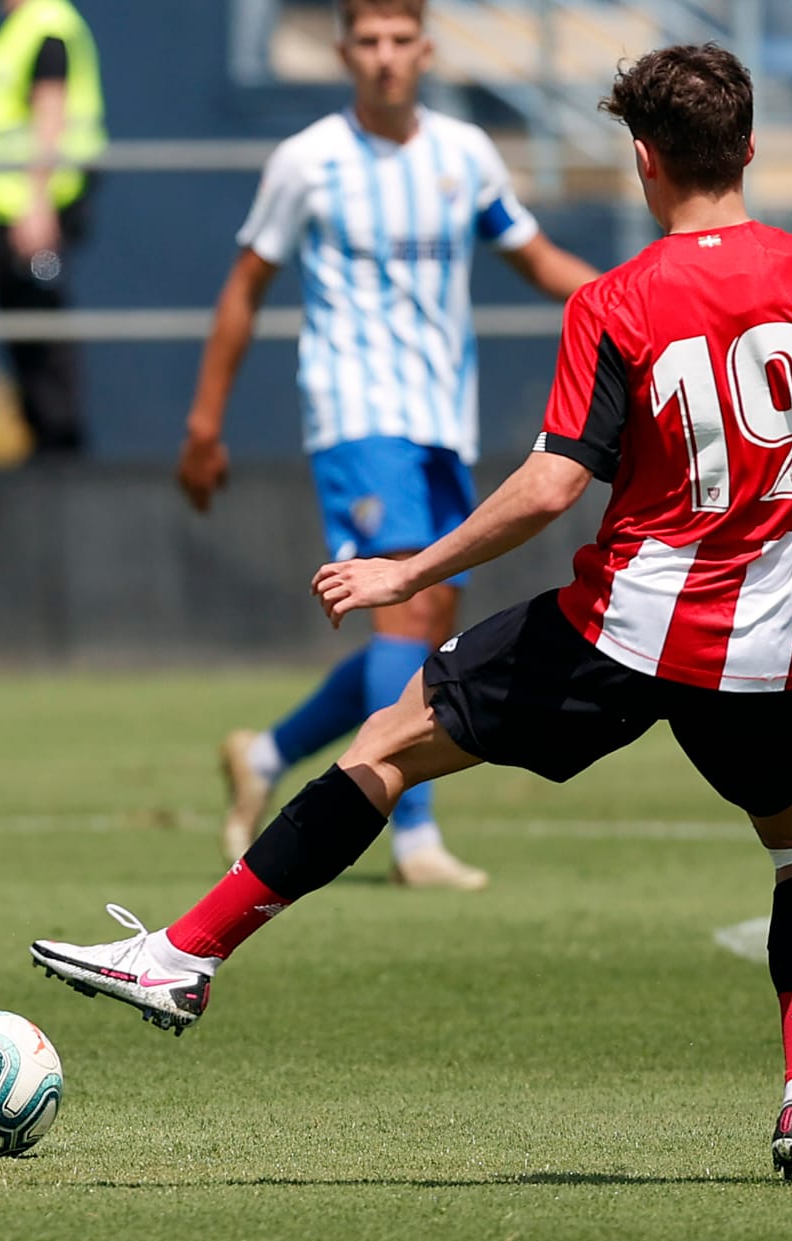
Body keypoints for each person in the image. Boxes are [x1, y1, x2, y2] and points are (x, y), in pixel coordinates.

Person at [32, 44, 792, 1186]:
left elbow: (553, 486)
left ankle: (186, 953)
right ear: (747, 148)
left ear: (642, 161)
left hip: (623, 630)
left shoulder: (616, 301)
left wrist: (407, 574)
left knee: (388, 745)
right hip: (777, 651)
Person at [180, 0, 597, 890]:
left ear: (425, 49)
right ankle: (412, 834)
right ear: (344, 52)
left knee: (426, 621)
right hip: (355, 416)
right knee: (407, 613)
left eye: (399, 40)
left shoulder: (464, 155)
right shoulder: (308, 162)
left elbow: (535, 257)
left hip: (442, 418)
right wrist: (204, 422)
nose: (383, 57)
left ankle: (267, 752)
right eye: (366, 41)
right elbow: (244, 287)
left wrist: (644, 300)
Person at [0, 0, 107, 457]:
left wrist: (37, 204)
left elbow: (49, 115)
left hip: (36, 206)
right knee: (16, 319)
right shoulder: (10, 27)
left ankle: (61, 442)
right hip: (3, 205)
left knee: (41, 315)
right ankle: (40, 434)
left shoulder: (47, 26)